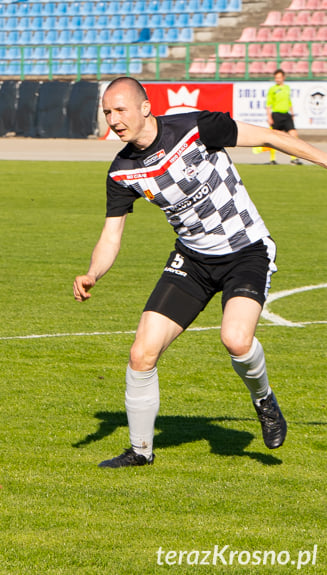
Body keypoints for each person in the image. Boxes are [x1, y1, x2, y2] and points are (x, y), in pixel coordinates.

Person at [73, 76, 327, 468]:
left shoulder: (197, 127)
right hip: (192, 261)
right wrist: (93, 273)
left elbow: (270, 136)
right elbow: (111, 235)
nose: (114, 118)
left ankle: (264, 400)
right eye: (107, 112)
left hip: (246, 251)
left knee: (236, 340)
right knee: (141, 353)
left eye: (120, 109)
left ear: (145, 107)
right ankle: (140, 451)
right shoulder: (122, 171)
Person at [264, 68, 304, 166]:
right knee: (274, 138)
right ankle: (272, 159)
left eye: (279, 77)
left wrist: (292, 113)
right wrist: (269, 117)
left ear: (283, 78)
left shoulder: (287, 88)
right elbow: (268, 104)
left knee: (294, 135)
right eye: (276, 78)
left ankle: (294, 158)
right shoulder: (272, 89)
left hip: (286, 115)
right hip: (276, 115)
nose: (277, 79)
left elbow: (289, 101)